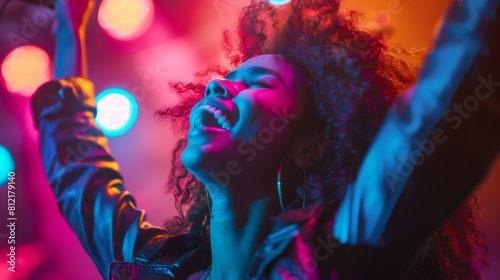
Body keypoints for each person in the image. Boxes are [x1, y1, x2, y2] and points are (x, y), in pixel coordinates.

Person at [30, 0, 499, 279]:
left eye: (257, 85)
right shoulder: (152, 263)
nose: (217, 86)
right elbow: (78, 168)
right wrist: (70, 26)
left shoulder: (335, 254)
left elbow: (444, 106)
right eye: (223, 80)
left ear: (310, 145)